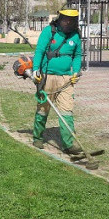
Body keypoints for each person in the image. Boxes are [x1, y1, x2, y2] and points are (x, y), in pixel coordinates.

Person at [31, 9, 83, 155]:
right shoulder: (49, 31)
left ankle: (69, 144)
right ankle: (38, 137)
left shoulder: (76, 36)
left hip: (66, 79)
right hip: (47, 77)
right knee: (43, 109)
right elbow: (40, 51)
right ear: (60, 19)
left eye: (72, 20)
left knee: (67, 110)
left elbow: (77, 56)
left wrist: (75, 72)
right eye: (66, 19)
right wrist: (36, 70)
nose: (68, 22)